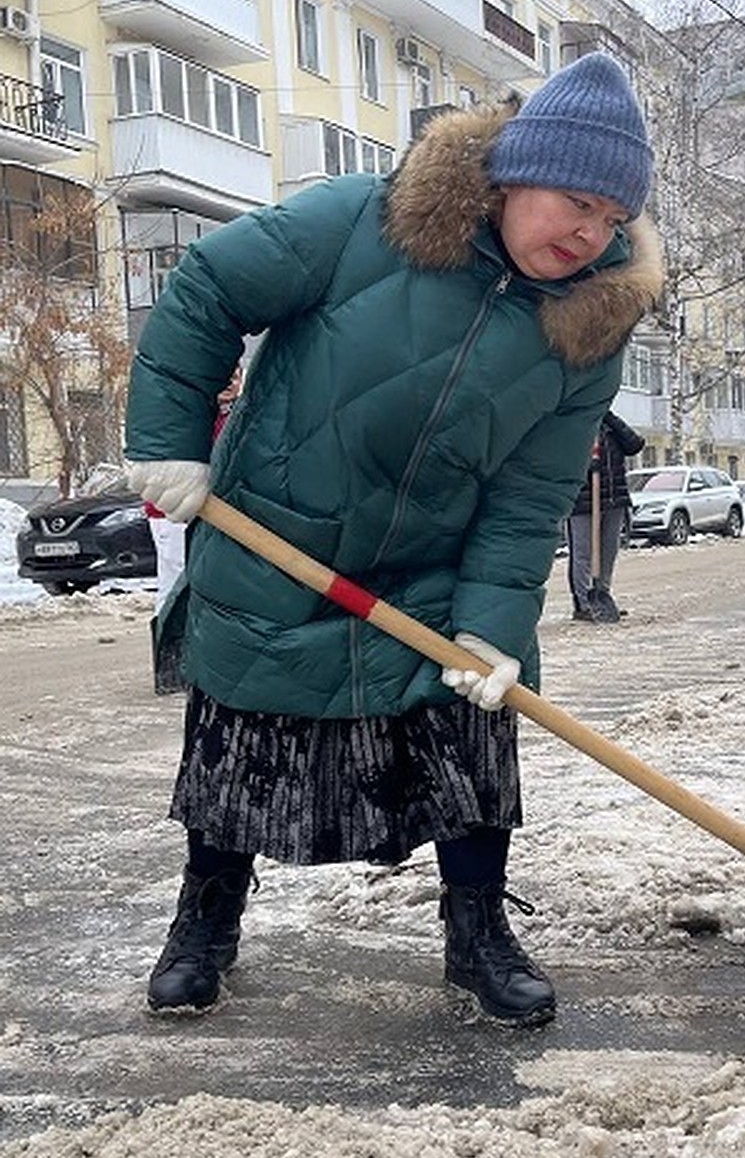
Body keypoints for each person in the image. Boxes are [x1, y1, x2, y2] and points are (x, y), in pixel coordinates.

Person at [124, 52, 662, 1026]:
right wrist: (167, 447)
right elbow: (205, 288)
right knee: (236, 746)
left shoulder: (591, 321)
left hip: (430, 573)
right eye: (576, 202)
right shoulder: (364, 221)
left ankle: (479, 934)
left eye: (613, 220)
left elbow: (531, 491)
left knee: (471, 737)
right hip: (273, 540)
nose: (590, 234)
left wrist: (495, 624)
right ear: (513, 172)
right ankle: (204, 921)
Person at [145, 368, 242, 694]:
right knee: (175, 582)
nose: (229, 382)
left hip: (217, 513)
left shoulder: (240, 414)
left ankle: (202, 662)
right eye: (224, 375)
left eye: (235, 375)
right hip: (173, 509)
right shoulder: (193, 410)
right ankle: (170, 667)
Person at [566, 410, 644, 622]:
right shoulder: (572, 423)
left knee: (608, 550)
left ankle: (602, 595)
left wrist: (611, 419)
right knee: (583, 553)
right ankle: (583, 603)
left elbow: (635, 445)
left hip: (613, 498)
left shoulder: (611, 426)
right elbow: (558, 458)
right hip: (583, 500)